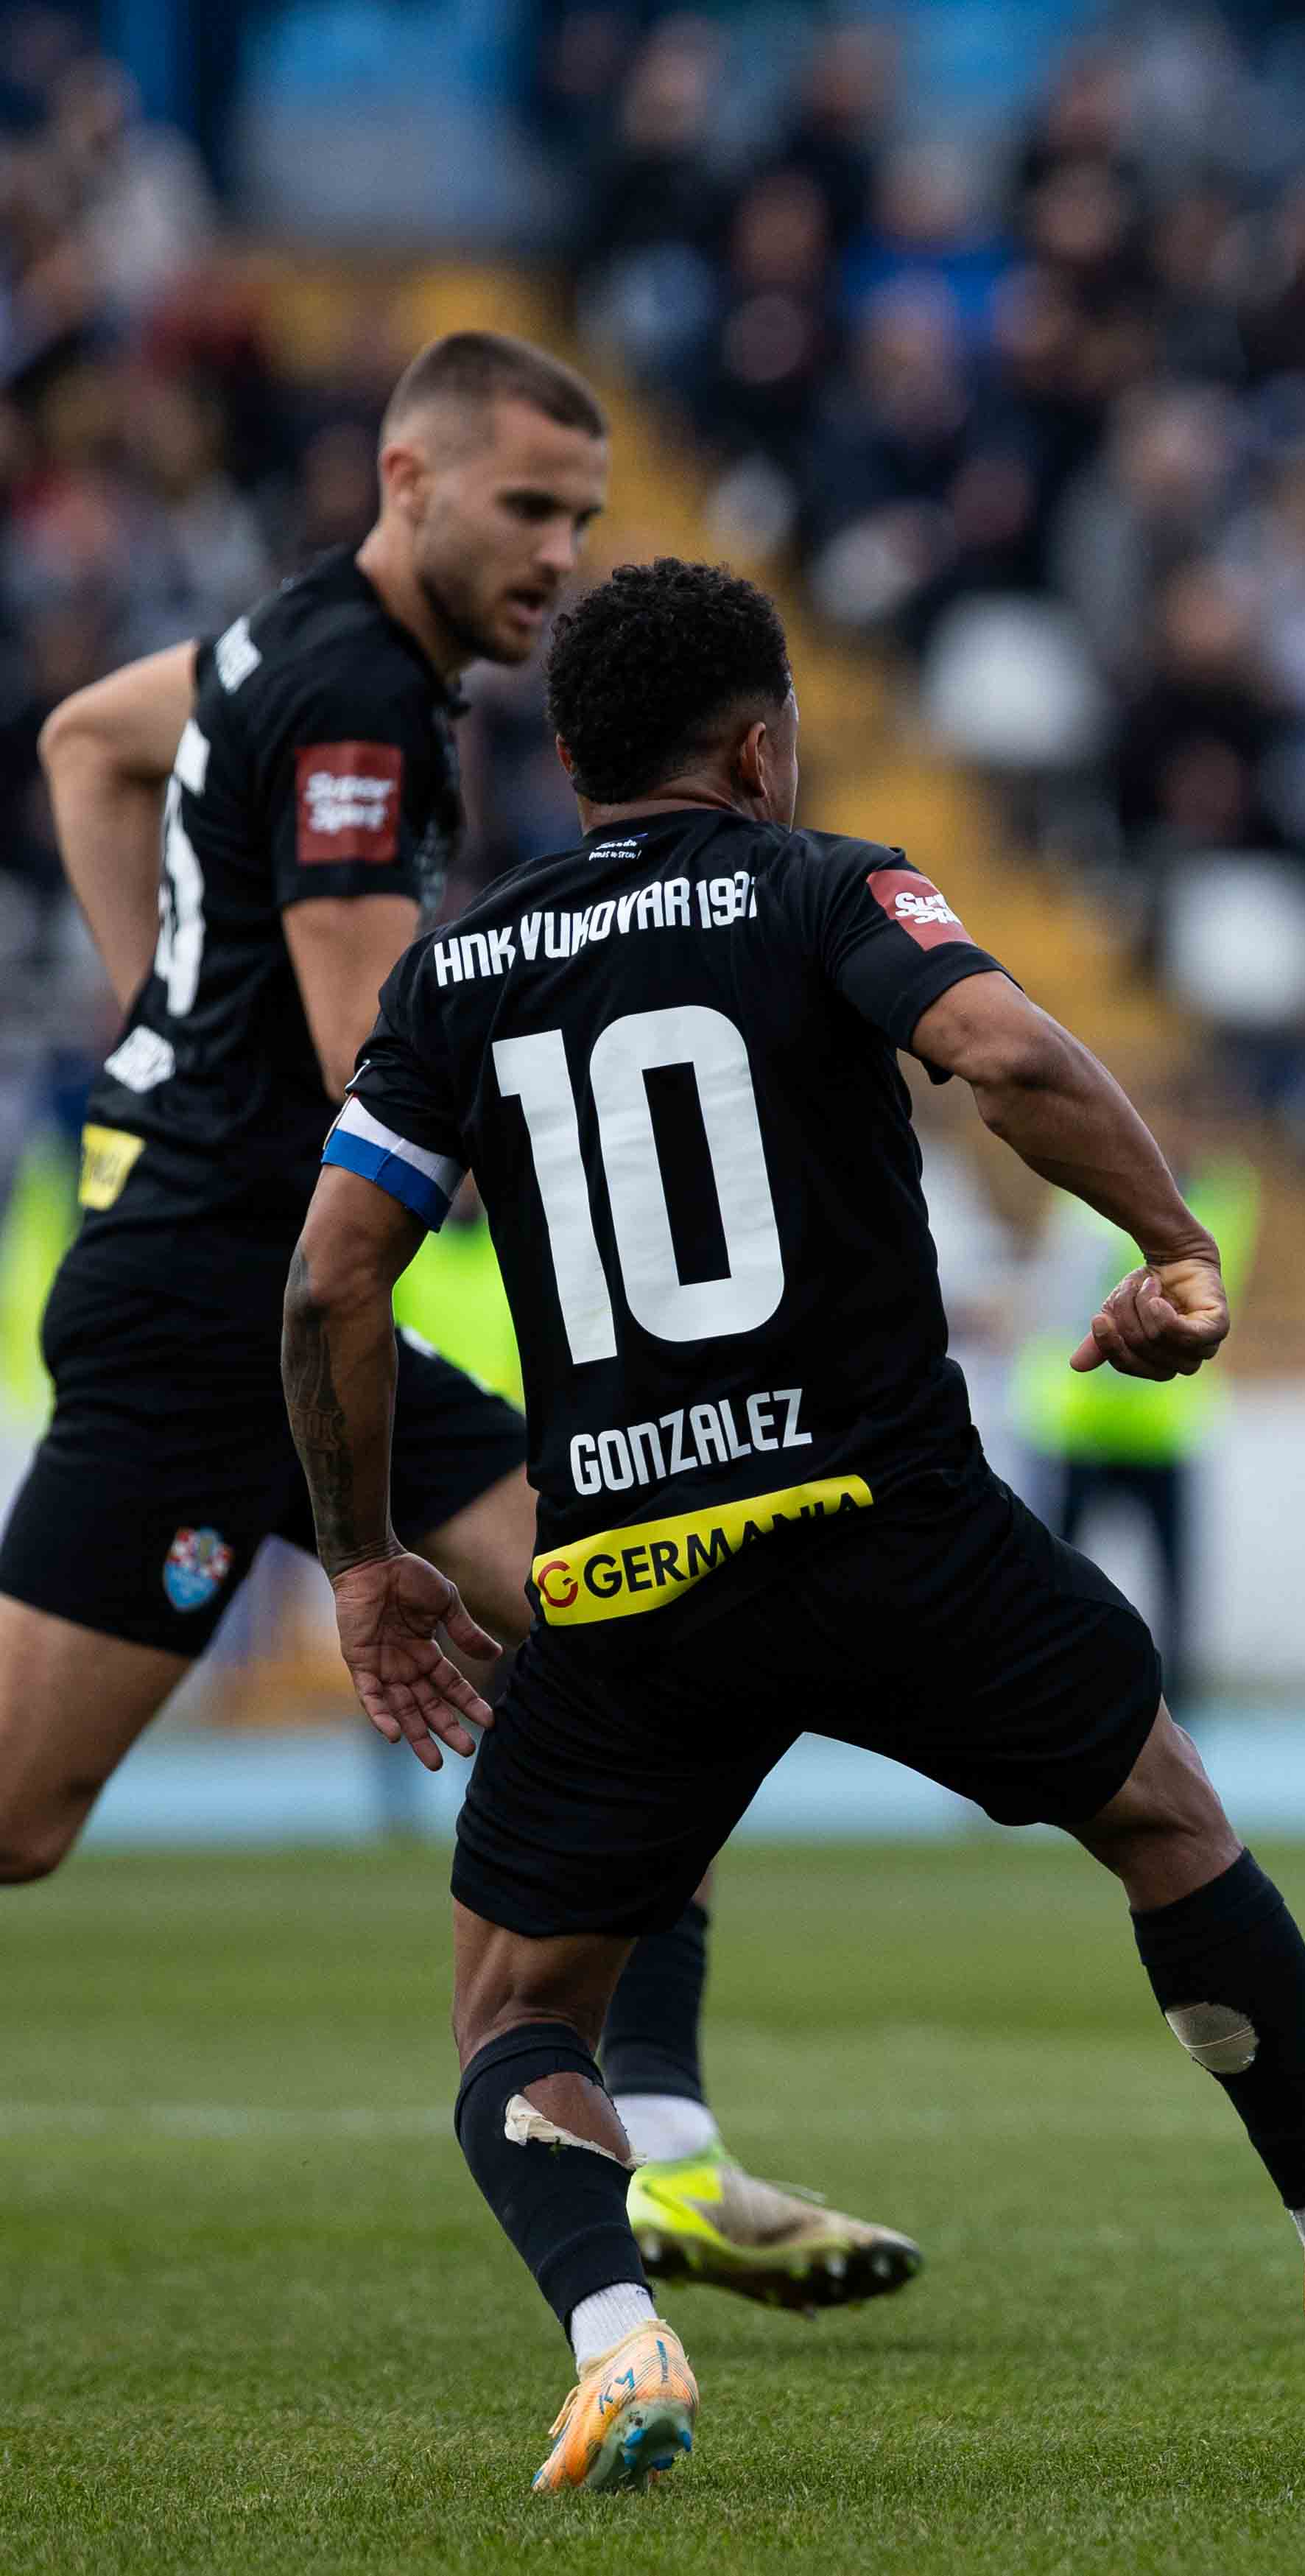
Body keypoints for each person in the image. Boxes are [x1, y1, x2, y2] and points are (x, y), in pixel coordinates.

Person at [278, 559, 1305, 2491]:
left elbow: (330, 1286)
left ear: (574, 756)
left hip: (620, 1567)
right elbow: (1008, 1056)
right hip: (885, 1523)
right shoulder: (822, 882)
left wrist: (364, 1556)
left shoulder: (456, 969)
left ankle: (618, 2351)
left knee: (516, 2009)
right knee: (1166, 1820)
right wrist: (1175, 1245)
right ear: (761, 742)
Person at [7, 332, 915, 2308]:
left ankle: (656, 2151)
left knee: (641, 1630)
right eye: (528, 509)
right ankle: (643, 2141)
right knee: (20, 1817)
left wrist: (158, 1024)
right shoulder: (353, 704)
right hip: (214, 1312)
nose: (563, 556)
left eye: (584, 515)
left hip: (244, 1279)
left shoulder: (274, 645)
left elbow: (90, 737)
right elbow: (375, 1063)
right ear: (407, 481)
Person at [1019, 1115, 1262, 1702]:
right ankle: (1036, 1698)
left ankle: (1170, 1722)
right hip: (1080, 1426)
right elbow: (1058, 1306)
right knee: (1046, 1589)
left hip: (1157, 1430)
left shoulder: (1219, 1201)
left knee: (1167, 1594)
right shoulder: (1106, 1210)